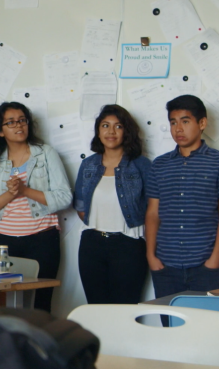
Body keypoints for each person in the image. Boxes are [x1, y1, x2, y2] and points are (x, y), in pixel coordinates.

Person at [0, 102, 71, 312]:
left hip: (42, 240)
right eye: (11, 122)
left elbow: (65, 197)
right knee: (2, 305)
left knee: (40, 304)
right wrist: (10, 194)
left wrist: (24, 190)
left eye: (22, 120)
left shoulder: (45, 154)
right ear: (0, 131)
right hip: (3, 242)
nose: (18, 126)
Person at [146, 95, 219, 325]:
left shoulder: (216, 162)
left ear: (202, 123)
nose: (178, 128)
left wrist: (214, 260)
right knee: (170, 331)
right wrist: (151, 255)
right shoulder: (159, 164)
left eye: (185, 121)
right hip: (166, 266)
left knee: (206, 334)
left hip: (206, 265)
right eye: (173, 122)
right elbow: (153, 213)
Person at [74, 105, 150, 304]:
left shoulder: (141, 165)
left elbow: (154, 209)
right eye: (105, 125)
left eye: (118, 126)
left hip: (129, 245)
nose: (111, 131)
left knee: (125, 308)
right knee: (96, 306)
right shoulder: (88, 165)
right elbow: (81, 206)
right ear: (98, 131)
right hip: (92, 244)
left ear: (127, 132)